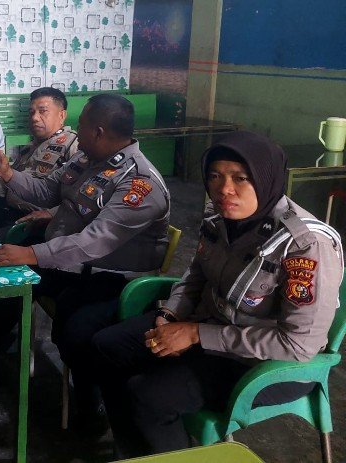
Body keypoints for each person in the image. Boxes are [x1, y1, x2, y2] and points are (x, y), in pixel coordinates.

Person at [91, 131, 344, 459]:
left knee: (148, 395)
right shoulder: (219, 219)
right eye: (214, 176)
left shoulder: (305, 245)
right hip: (212, 327)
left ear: (266, 178)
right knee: (107, 346)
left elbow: (298, 345)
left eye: (241, 178)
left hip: (265, 361)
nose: (224, 189)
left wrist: (195, 334)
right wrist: (170, 314)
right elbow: (195, 275)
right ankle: (136, 453)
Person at [0, 95, 169, 390]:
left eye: (81, 125)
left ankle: (91, 400)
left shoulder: (139, 183)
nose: (76, 130)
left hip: (111, 278)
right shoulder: (86, 160)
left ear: (98, 132)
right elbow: (46, 191)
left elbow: (94, 243)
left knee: (73, 330)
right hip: (69, 261)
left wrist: (31, 254)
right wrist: (7, 173)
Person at [0, 87, 78, 235]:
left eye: (42, 111)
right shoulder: (30, 147)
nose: (35, 118)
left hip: (36, 224)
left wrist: (52, 213)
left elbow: (78, 197)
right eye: (32, 112)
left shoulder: (72, 145)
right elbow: (9, 182)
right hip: (8, 213)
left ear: (61, 115)